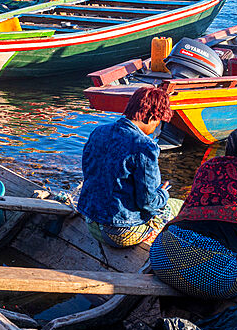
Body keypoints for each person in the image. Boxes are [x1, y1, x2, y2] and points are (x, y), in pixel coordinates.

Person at [149, 129, 237, 312]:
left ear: (227, 152)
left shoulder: (207, 168)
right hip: (216, 275)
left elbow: (186, 211)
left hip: (162, 254)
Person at [76, 87, 182, 247]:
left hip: (91, 223)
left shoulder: (98, 132)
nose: (157, 128)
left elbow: (90, 173)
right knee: (178, 207)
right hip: (120, 234)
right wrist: (163, 194)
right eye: (159, 122)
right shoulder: (145, 146)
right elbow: (148, 202)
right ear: (152, 117)